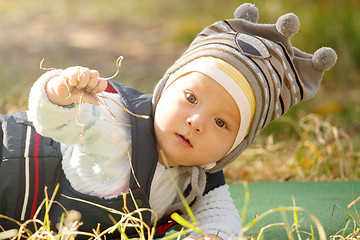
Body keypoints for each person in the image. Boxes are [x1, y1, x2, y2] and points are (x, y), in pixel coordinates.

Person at [0, 3, 336, 240]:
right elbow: (53, 123)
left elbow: (221, 218)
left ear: (234, 148)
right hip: (11, 158)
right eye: (191, 98)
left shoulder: (200, 184)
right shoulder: (119, 115)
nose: (196, 122)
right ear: (164, 88)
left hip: (21, 217)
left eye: (222, 123)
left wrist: (211, 236)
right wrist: (59, 90)